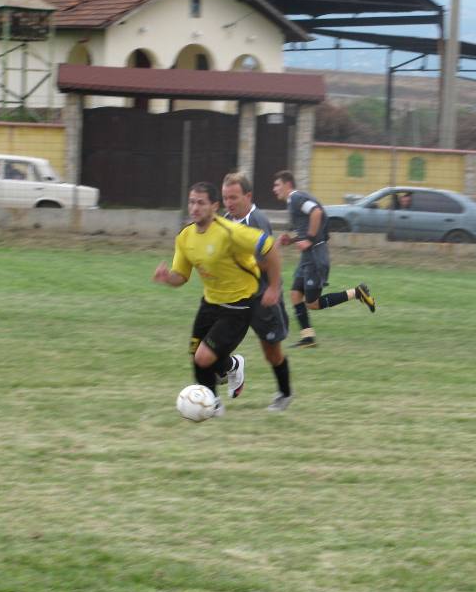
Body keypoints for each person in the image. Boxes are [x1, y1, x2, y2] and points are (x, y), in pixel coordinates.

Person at [153, 181, 283, 416]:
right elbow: (181, 276)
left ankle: (212, 404)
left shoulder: (230, 232)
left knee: (204, 357)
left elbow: (270, 247)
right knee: (196, 356)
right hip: (210, 302)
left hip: (239, 304)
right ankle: (219, 391)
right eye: (192, 202)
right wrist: (167, 278)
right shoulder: (185, 236)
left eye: (201, 203)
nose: (195, 208)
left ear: (214, 206)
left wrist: (273, 287)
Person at [271, 170, 376, 349]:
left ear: (287, 184)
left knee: (312, 303)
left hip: (315, 257)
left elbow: (316, 212)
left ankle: (357, 292)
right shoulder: (294, 200)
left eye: (277, 185)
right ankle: (308, 338)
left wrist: (309, 239)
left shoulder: (295, 198)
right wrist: (293, 240)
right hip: (308, 257)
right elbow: (313, 223)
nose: (274, 189)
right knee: (295, 294)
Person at [222, 172, 294, 411]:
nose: (229, 203)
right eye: (226, 198)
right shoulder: (225, 220)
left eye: (234, 198)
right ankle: (229, 370)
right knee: (213, 343)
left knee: (272, 352)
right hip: (235, 296)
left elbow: (268, 261)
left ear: (248, 196)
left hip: (262, 297)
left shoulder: (257, 221)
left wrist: (272, 288)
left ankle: (285, 393)